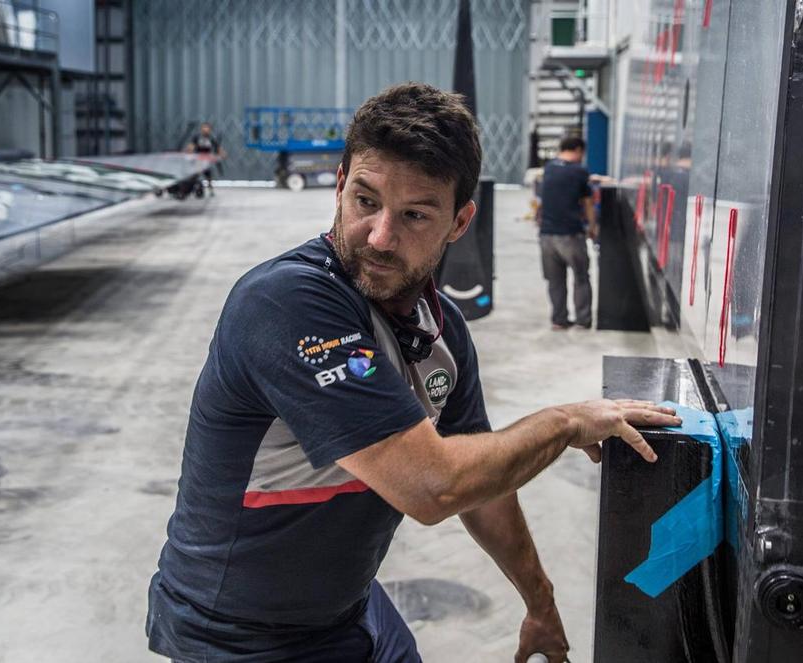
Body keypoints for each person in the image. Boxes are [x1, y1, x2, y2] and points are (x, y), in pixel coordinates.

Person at [146, 83, 680, 663]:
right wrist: (566, 422)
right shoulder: (287, 302)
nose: (379, 236)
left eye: (415, 215)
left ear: (459, 222)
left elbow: (482, 488)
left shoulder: (441, 329)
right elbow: (433, 487)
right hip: (236, 636)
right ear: (341, 180)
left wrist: (541, 602)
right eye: (365, 201)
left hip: (346, 612)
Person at [538, 136, 596, 330]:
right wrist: (593, 227)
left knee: (555, 280)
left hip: (546, 235)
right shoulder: (579, 170)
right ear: (578, 150)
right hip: (570, 234)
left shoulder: (549, 168)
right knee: (581, 277)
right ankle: (582, 320)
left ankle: (559, 320)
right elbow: (588, 202)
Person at [186, 122, 226, 195]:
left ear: (210, 129)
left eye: (207, 128)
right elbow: (191, 146)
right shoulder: (197, 137)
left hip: (206, 160)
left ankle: (211, 190)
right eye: (204, 128)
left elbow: (217, 147)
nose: (205, 129)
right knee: (194, 175)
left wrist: (222, 154)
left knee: (208, 176)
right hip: (198, 159)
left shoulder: (211, 138)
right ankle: (190, 188)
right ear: (201, 129)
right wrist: (189, 151)